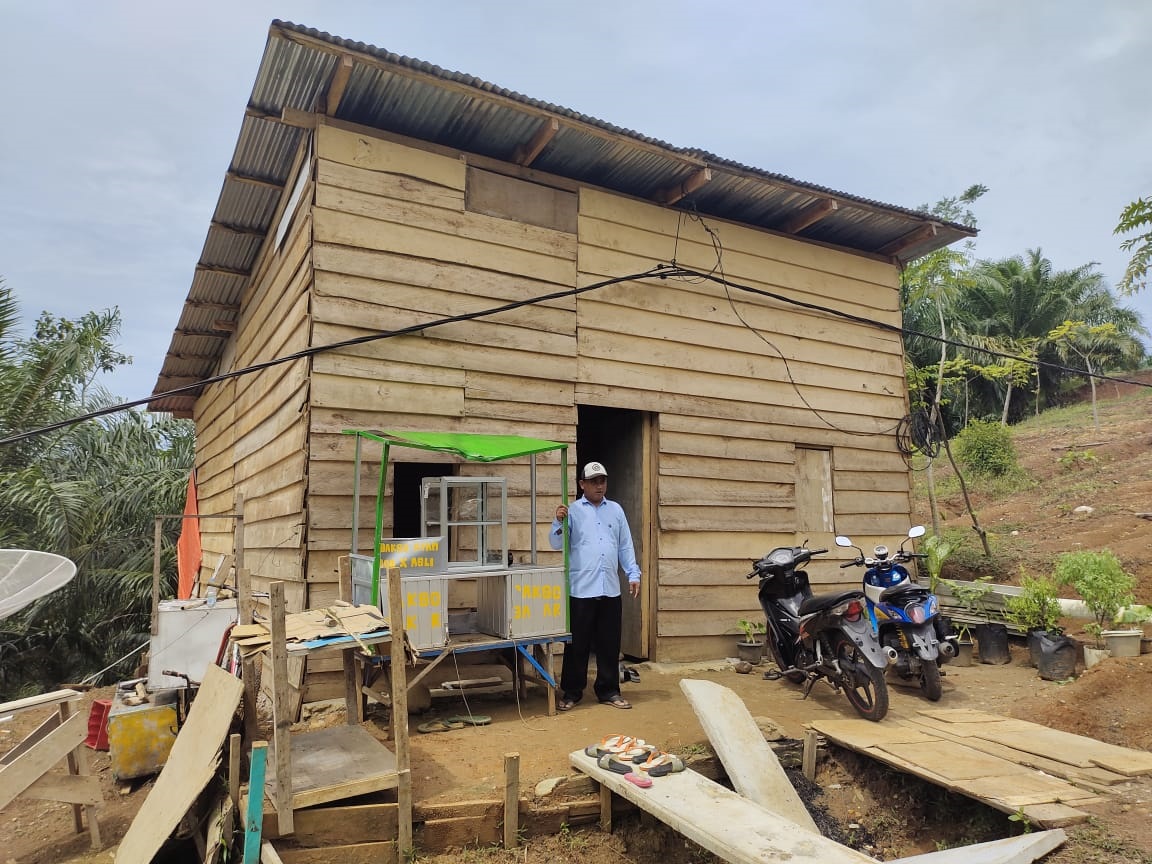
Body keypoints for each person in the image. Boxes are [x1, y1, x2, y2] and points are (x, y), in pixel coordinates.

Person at [549, 461, 641, 711]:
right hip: (581, 589)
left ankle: (609, 690)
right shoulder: (573, 511)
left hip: (610, 588)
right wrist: (558, 522)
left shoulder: (616, 510)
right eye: (594, 481)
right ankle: (571, 692)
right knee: (577, 644)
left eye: (603, 481)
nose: (600, 486)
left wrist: (633, 573)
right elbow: (557, 544)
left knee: (609, 643)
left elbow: (624, 545)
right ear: (582, 485)